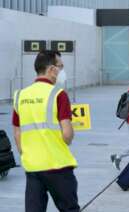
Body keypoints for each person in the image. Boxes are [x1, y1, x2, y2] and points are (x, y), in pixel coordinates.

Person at [12, 50, 79, 212]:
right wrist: (68, 137)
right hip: (58, 166)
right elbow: (67, 134)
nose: (62, 71)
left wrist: (26, 153)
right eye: (60, 67)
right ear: (51, 70)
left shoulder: (20, 96)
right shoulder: (58, 94)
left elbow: (17, 131)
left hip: (33, 167)